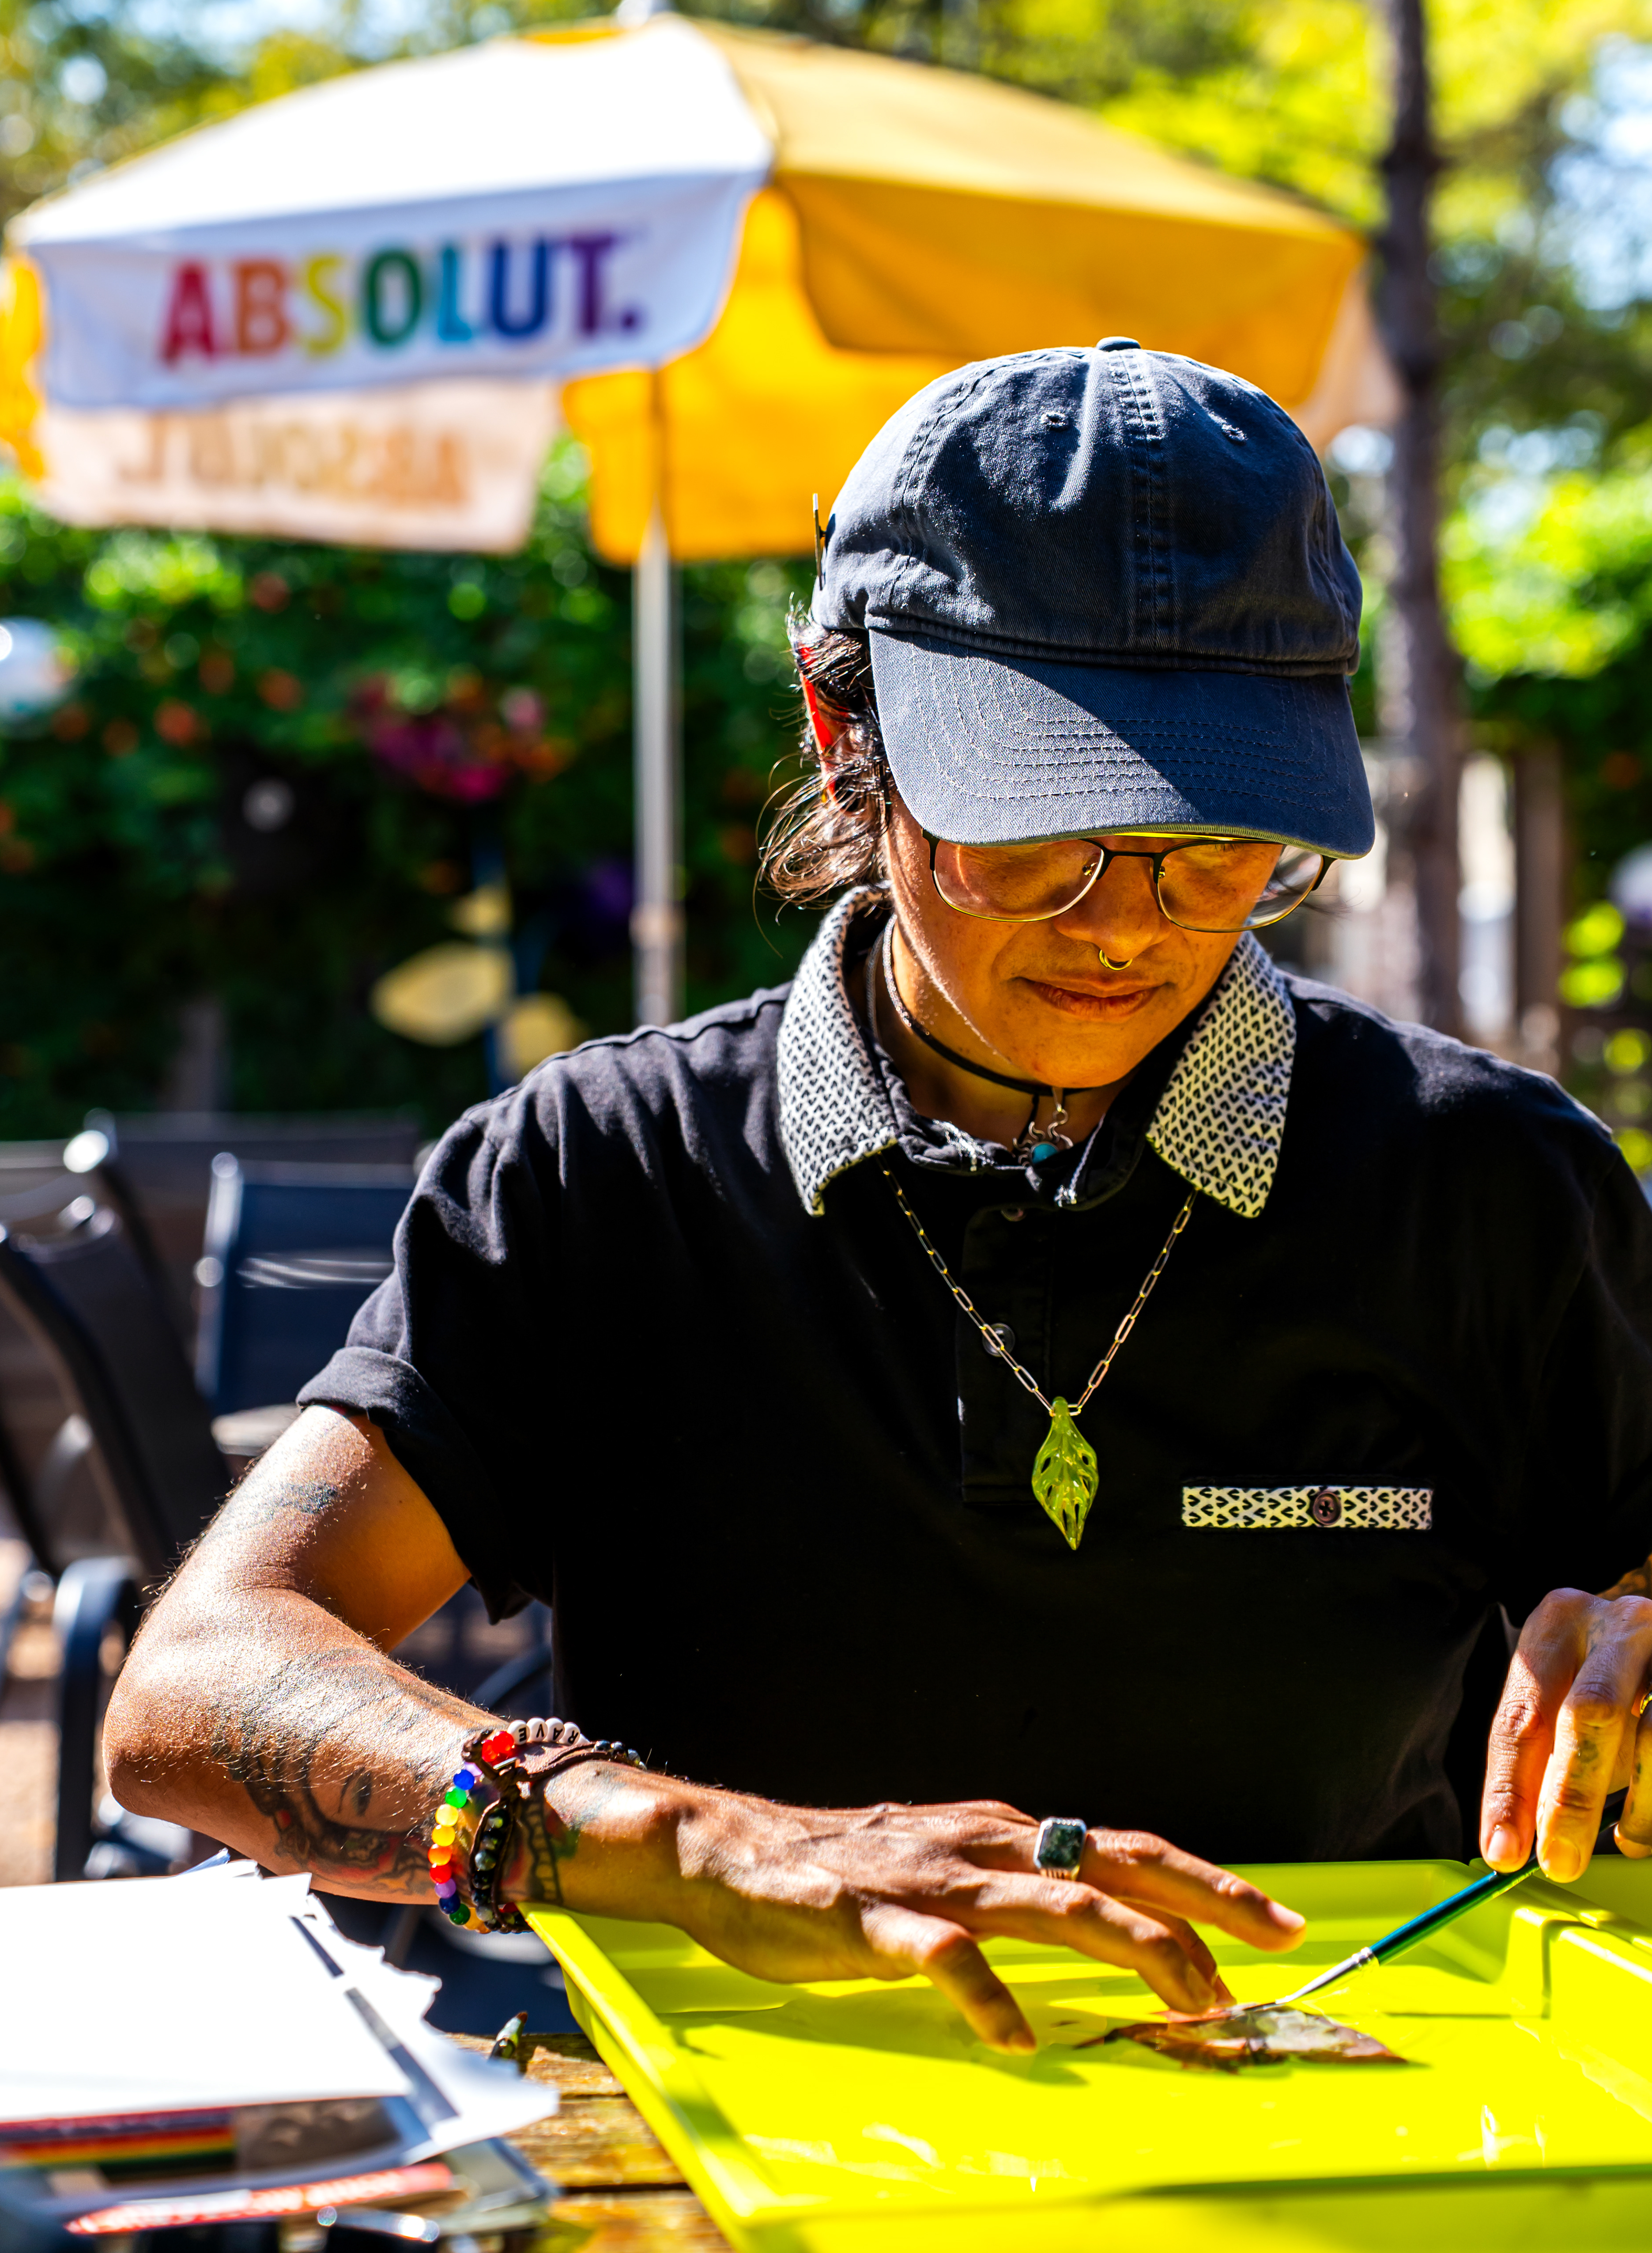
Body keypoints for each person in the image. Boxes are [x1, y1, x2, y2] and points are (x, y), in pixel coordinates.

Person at [106, 340, 1652, 2056]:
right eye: (1035, 833)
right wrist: (701, 1844)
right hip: (746, 2169)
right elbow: (195, 1689)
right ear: (848, 738)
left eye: (1222, 846)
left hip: (1373, 2137)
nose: (1128, 920)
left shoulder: (1493, 1185)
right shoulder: (597, 1180)